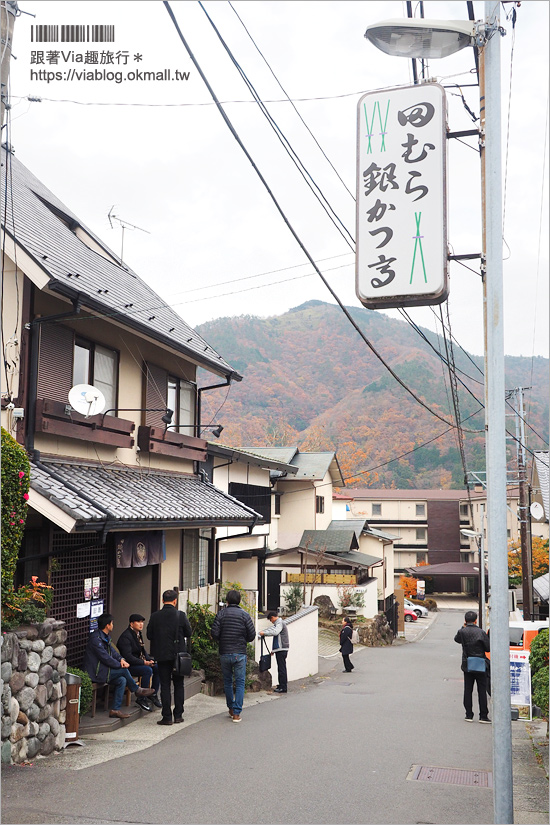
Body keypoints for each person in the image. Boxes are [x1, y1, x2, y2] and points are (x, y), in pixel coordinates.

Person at [83, 613, 156, 719]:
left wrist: (122, 660)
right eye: (112, 623)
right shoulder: (96, 639)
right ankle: (137, 690)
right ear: (107, 625)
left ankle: (115, 710)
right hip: (96, 672)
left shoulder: (105, 637)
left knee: (122, 680)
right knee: (123, 671)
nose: (113, 625)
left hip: (104, 670)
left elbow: (113, 652)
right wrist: (120, 664)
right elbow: (105, 658)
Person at [147, 590, 192, 726]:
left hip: (162, 656)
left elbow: (149, 635)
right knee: (179, 684)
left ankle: (167, 716)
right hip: (178, 655)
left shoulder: (155, 616)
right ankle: (178, 715)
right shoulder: (180, 615)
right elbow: (188, 633)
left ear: (162, 600)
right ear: (175, 601)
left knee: (165, 685)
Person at [211, 589, 255, 723]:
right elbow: (251, 635)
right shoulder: (245, 615)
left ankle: (230, 708)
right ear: (239, 601)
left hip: (225, 652)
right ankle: (237, 713)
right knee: (240, 683)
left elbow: (214, 633)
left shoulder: (221, 614)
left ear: (227, 601)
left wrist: (223, 639)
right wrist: (242, 640)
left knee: (228, 681)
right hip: (240, 653)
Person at [116, 613, 161, 712]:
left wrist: (149, 659)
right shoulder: (126, 637)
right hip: (129, 665)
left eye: (142, 622)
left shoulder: (138, 634)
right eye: (138, 622)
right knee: (147, 670)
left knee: (157, 667)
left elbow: (142, 650)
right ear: (131, 624)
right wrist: (143, 662)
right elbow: (128, 657)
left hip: (138, 662)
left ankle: (153, 694)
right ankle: (141, 698)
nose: (141, 624)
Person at [454, 610, 491, 723]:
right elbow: (487, 648)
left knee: (468, 690)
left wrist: (463, 627)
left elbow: (456, 639)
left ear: (465, 621)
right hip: (480, 663)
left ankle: (469, 715)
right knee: (482, 690)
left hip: (467, 664)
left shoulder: (462, 632)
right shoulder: (481, 632)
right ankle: (483, 716)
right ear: (476, 620)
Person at [259, 611, 289, 694]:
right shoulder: (280, 623)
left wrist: (264, 633)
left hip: (282, 649)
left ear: (272, 617)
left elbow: (275, 632)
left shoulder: (280, 623)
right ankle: (282, 685)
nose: (271, 622)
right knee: (281, 667)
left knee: (281, 668)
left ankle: (283, 687)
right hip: (280, 649)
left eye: (271, 620)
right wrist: (274, 650)